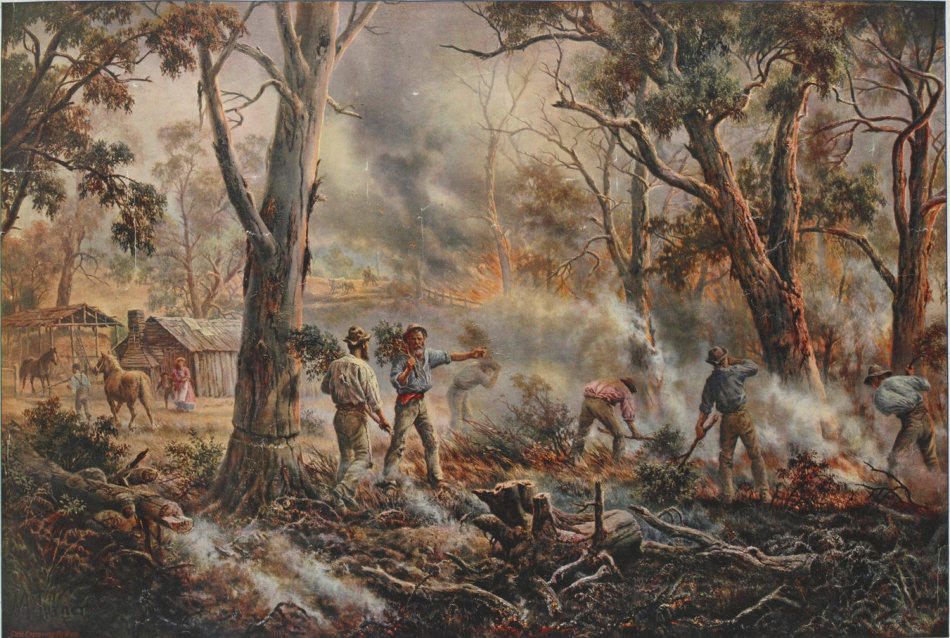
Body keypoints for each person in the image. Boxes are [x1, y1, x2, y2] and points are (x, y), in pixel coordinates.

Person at [382, 324, 486, 487]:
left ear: (424, 340)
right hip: (406, 405)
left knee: (431, 441)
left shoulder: (428, 355)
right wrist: (408, 369)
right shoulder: (401, 360)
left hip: (421, 403)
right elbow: (397, 382)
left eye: (420, 339)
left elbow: (449, 356)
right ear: (407, 341)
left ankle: (436, 478)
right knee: (398, 442)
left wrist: (470, 355)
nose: (417, 342)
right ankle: (389, 480)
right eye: (413, 339)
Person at [321, 326, 392, 508]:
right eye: (367, 343)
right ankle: (342, 489)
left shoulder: (335, 364)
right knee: (364, 458)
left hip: (339, 416)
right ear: (364, 345)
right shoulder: (364, 368)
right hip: (355, 417)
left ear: (349, 345)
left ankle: (340, 502)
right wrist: (383, 419)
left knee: (346, 458)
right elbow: (374, 399)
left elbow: (325, 388)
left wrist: (343, 390)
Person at [694, 346, 769, 504]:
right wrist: (736, 361)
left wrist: (699, 425)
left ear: (713, 363)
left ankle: (728, 495)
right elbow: (754, 367)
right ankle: (764, 492)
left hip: (727, 420)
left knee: (726, 458)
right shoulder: (736, 370)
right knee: (755, 454)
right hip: (742, 417)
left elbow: (706, 407)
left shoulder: (711, 381)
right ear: (725, 360)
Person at [864, 364, 939, 477]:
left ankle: (893, 486)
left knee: (894, 458)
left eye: (872, 381)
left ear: (876, 379)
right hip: (927, 420)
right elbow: (924, 386)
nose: (872, 385)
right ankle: (939, 484)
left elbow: (889, 410)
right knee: (931, 460)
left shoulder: (880, 394)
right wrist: (909, 377)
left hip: (913, 423)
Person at [569, 377, 643, 462]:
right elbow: (628, 412)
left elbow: (590, 389)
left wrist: (608, 425)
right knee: (619, 434)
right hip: (601, 405)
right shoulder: (626, 391)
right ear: (631, 387)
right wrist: (635, 432)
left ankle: (574, 456)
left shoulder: (609, 381)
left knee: (582, 432)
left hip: (587, 402)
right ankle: (617, 462)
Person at [447, 359, 501, 430]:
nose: (490, 374)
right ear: (486, 367)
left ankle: (464, 433)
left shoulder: (475, 364)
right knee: (457, 417)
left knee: (467, 415)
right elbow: (489, 385)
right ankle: (453, 434)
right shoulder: (478, 373)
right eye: (490, 371)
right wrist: (497, 372)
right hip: (456, 392)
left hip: (461, 391)